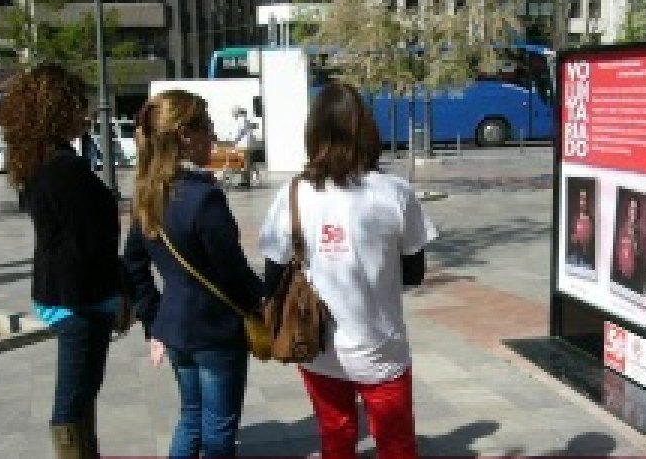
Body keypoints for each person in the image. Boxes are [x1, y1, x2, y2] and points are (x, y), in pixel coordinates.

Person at [259, 80, 437, 459]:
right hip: (380, 346)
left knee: (336, 437)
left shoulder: (292, 194)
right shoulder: (395, 193)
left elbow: (272, 277)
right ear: (365, 129)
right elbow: (415, 272)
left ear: (314, 133)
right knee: (396, 444)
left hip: (316, 345)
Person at [122, 90, 266, 457]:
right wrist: (263, 300)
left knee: (191, 418)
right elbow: (231, 269)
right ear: (186, 135)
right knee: (218, 428)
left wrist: (155, 317)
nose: (213, 136)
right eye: (208, 127)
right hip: (215, 329)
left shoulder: (148, 193)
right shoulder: (204, 198)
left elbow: (134, 265)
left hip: (175, 328)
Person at [0, 64, 121, 458]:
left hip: (65, 293)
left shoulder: (41, 161)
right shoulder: (63, 168)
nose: (84, 114)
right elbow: (87, 244)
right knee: (73, 399)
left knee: (80, 395)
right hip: (78, 301)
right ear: (55, 110)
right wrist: (120, 290)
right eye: (77, 106)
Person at [611, 195, 646, 294]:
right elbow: (617, 254)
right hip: (620, 277)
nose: (633, 212)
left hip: (634, 279)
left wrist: (634, 237)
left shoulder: (641, 235)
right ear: (628, 210)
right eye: (631, 208)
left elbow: (640, 256)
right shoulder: (621, 231)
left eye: (635, 209)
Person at [566, 186, 595, 269]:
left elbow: (592, 242)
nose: (583, 202)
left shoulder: (591, 220)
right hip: (574, 257)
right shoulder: (574, 218)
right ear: (579, 201)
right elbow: (570, 238)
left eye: (585, 199)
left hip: (586, 260)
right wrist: (573, 240)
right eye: (582, 199)